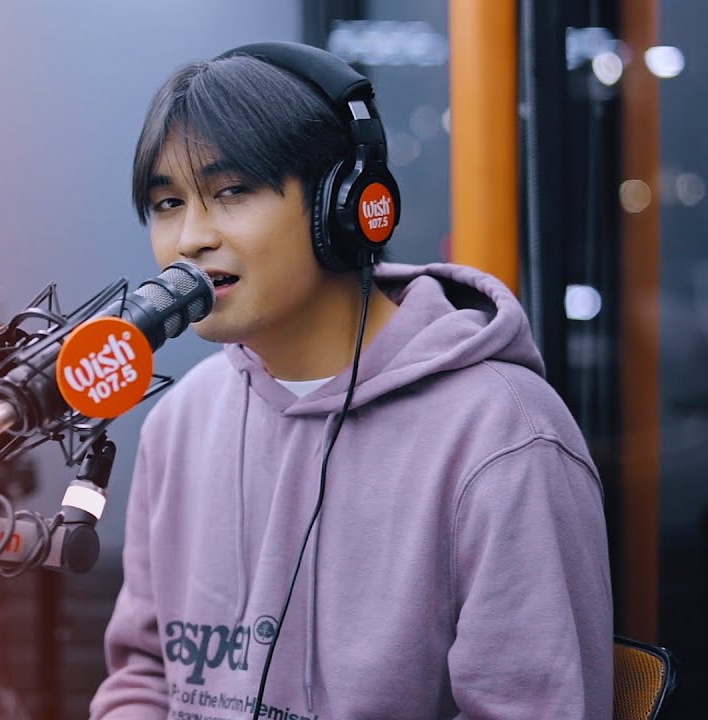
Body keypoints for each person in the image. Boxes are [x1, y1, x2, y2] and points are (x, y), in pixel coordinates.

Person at [89, 42, 613, 719]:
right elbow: (144, 677)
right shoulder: (181, 418)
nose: (190, 238)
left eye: (232, 191)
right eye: (167, 202)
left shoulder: (504, 437)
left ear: (343, 208)